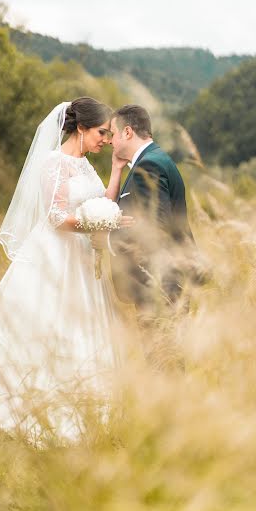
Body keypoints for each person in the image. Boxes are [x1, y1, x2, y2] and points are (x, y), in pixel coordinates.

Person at [0, 97, 131, 443]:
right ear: (80, 128)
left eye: (109, 135)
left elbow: (101, 204)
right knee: (43, 326)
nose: (107, 139)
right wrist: (96, 224)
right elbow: (55, 218)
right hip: (54, 256)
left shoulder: (84, 165)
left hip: (81, 259)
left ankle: (87, 408)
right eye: (102, 132)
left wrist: (114, 175)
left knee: (81, 328)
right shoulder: (55, 163)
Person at [92, 105, 194, 349]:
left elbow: (155, 229)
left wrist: (106, 240)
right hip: (165, 285)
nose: (109, 142)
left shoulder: (148, 167)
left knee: (164, 368)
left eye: (113, 134)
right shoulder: (154, 160)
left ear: (128, 132)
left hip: (160, 288)